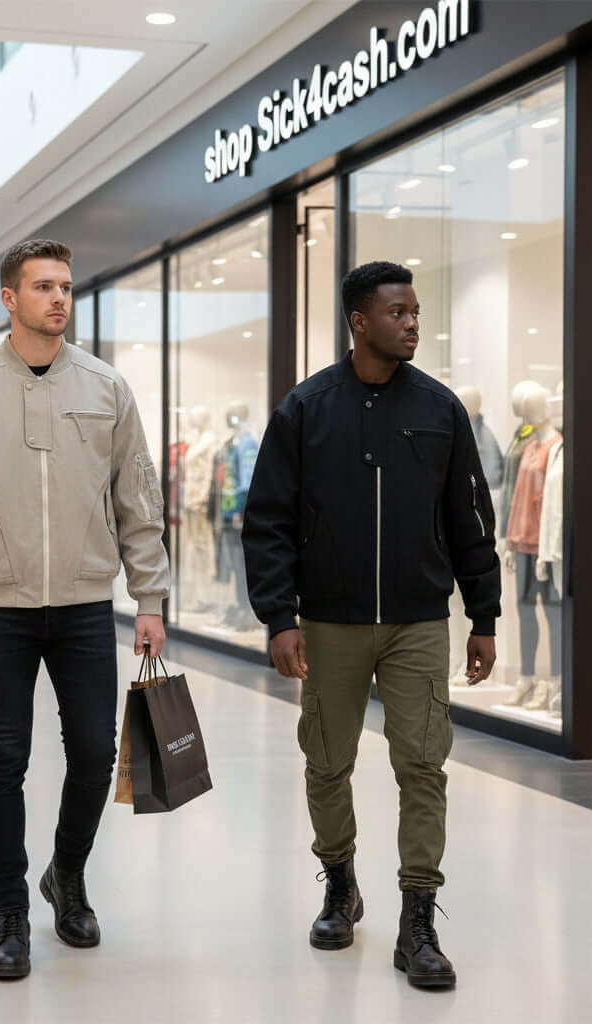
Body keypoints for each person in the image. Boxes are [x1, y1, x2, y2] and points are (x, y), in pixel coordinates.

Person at [0, 239, 169, 981]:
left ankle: (68, 876)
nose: (59, 298)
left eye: (65, 286)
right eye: (43, 286)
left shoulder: (107, 387)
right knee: (4, 762)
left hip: (85, 604)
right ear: (9, 299)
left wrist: (149, 596)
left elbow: (137, 499)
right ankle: (11, 915)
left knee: (95, 753)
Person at [242, 261, 501, 990]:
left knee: (422, 764)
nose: (412, 323)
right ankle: (339, 884)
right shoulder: (307, 408)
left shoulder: (440, 409)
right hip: (331, 622)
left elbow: (470, 518)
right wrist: (279, 616)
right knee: (327, 761)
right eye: (398, 312)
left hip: (419, 620)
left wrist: (483, 613)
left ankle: (418, 919)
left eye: (416, 311)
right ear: (360, 321)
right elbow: (267, 520)